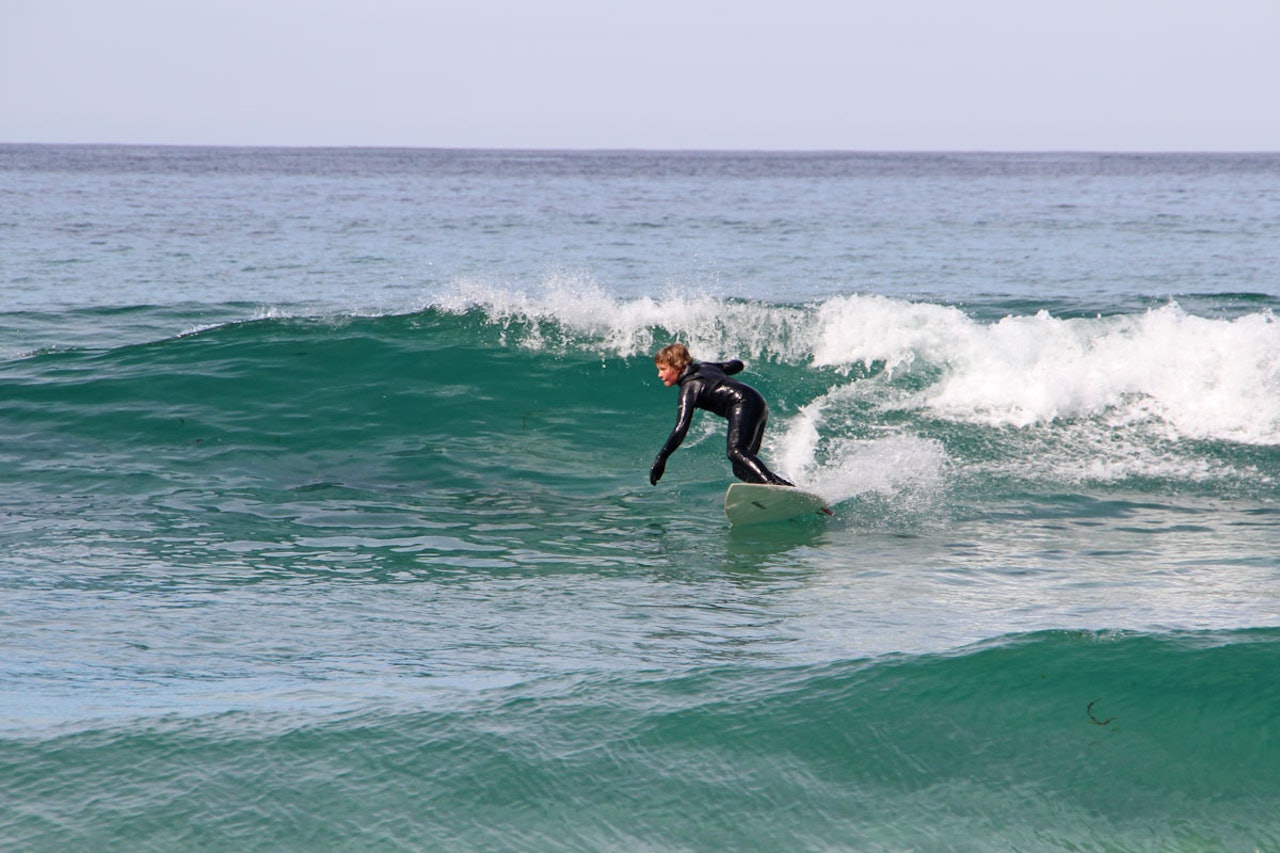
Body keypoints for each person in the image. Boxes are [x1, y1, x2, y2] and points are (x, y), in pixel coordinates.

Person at [649, 343, 793, 487]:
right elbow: (737, 365)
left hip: (742, 402)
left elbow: (681, 428)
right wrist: (719, 368)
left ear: (677, 366)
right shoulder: (705, 367)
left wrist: (662, 457)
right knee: (740, 469)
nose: (659, 375)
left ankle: (773, 484)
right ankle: (782, 487)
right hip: (756, 401)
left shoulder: (689, 387)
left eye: (663, 369)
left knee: (735, 451)